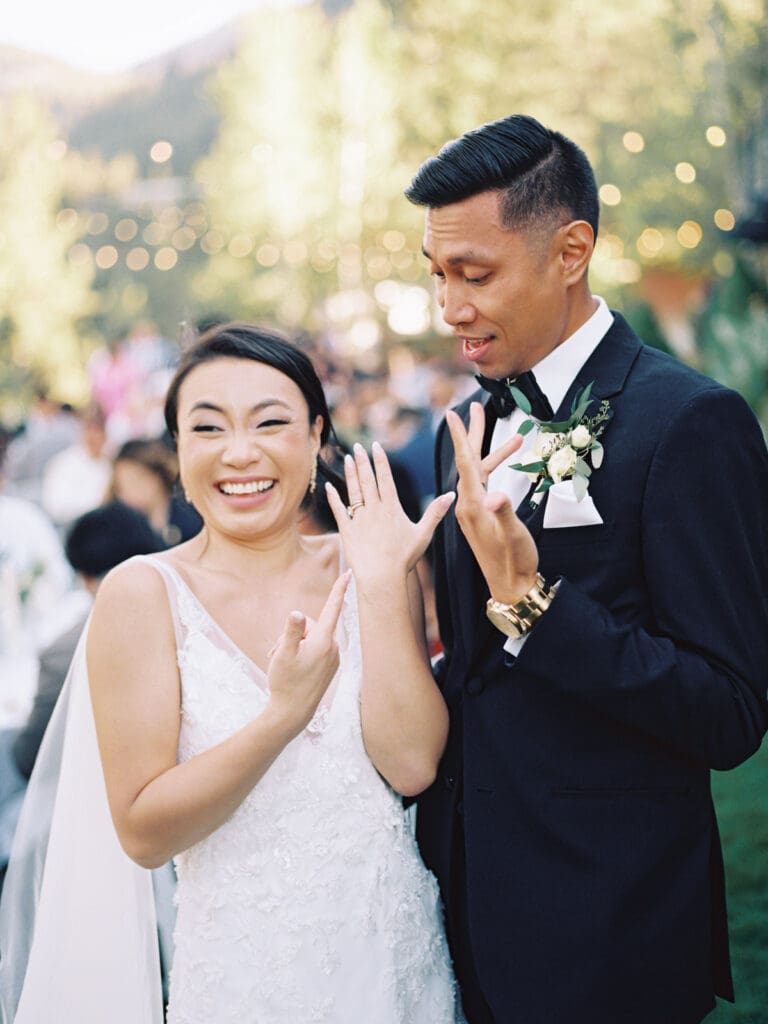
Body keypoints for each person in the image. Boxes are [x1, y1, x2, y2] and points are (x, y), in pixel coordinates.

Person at [404, 114, 768, 1024]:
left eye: (474, 274)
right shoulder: (473, 423)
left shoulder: (688, 424)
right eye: (438, 274)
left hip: (612, 927)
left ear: (571, 251)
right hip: (466, 908)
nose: (449, 307)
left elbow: (729, 712)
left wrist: (531, 604)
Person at [0, 324, 462, 1024]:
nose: (239, 452)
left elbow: (412, 765)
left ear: (316, 438)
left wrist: (378, 583)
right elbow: (144, 831)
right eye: (207, 428)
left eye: (271, 423)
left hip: (394, 965)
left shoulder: (366, 562)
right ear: (179, 451)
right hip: (246, 985)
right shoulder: (142, 594)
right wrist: (282, 717)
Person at [110, 437, 202, 545]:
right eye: (120, 486)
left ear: (155, 478)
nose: (125, 493)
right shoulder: (123, 529)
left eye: (133, 482)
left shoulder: (190, 519)